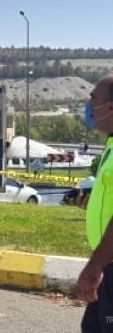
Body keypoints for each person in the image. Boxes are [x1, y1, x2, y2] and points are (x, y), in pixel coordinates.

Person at [69, 74, 113, 332]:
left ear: (110, 107)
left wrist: (94, 268)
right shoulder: (110, 143)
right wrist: (89, 204)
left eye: (92, 99)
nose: (88, 105)